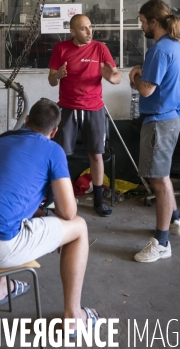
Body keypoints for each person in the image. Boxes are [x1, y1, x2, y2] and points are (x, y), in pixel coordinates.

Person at [0, 98, 100, 334]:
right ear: (54, 131)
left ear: (26, 121)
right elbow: (68, 212)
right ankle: (74, 317)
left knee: (6, 213)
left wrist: (42, 214)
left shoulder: (0, 141)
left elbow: (4, 193)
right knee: (79, 228)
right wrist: (51, 218)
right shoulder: (53, 150)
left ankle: (2, 287)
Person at [129, 0, 180, 263]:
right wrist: (144, 72)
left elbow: (147, 89)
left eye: (142, 21)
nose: (141, 26)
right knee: (162, 178)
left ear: (154, 21)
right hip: (170, 117)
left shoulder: (159, 49)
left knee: (158, 181)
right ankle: (174, 220)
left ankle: (161, 243)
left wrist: (135, 77)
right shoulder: (174, 45)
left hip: (159, 121)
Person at [48, 14, 121, 217]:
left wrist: (111, 77)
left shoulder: (100, 48)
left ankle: (98, 200)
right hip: (67, 108)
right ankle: (54, 198)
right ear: (72, 31)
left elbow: (117, 77)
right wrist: (58, 76)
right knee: (61, 155)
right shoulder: (61, 48)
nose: (89, 32)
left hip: (94, 108)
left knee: (96, 155)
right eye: (83, 29)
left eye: (90, 27)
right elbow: (51, 80)